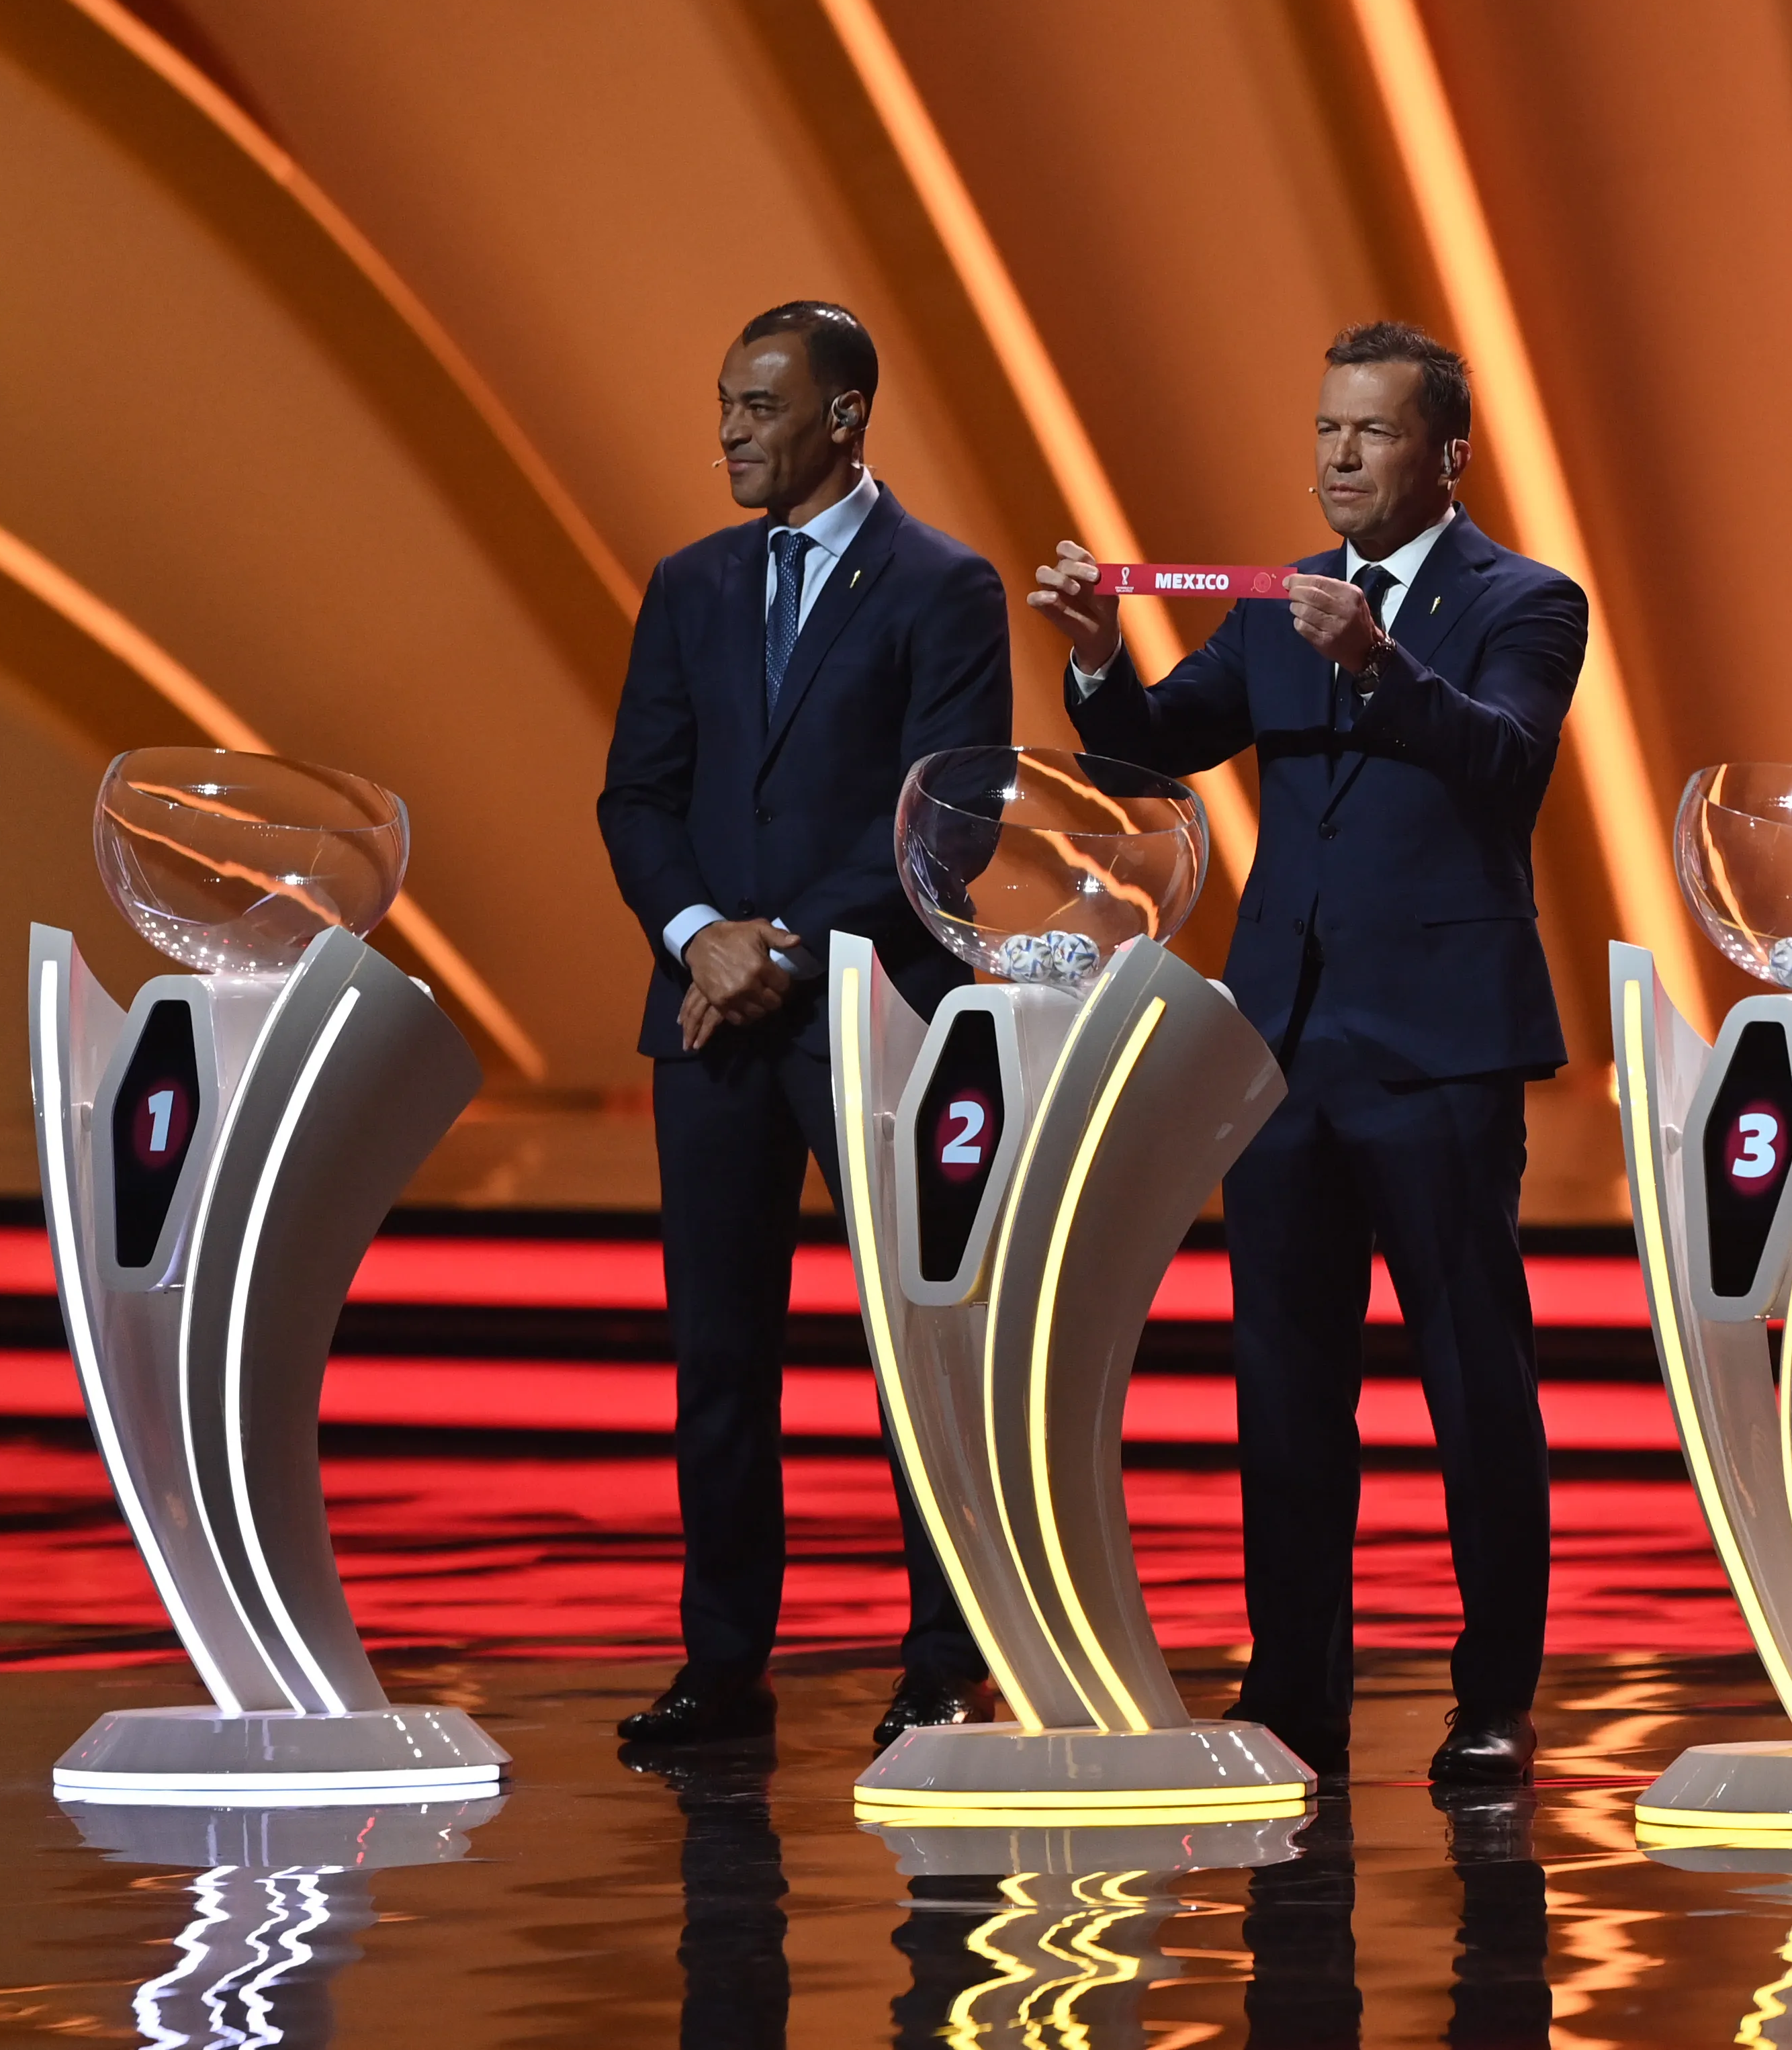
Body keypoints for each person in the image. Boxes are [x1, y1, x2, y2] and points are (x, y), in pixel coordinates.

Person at [1030, 321, 1578, 1786]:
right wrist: (1096, 662)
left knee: (1473, 1380)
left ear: (1444, 453)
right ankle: (1294, 1698)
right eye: (1325, 431)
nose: (1336, 458)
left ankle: (1490, 1698)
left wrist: (1387, 665)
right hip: (1276, 1050)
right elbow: (1156, 746)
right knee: (1281, 1385)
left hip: (1438, 1047)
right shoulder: (1277, 601)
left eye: (1370, 434)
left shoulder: (1525, 599)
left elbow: (1507, 761)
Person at [598, 300, 1011, 1748]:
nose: (728, 430)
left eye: (759, 406)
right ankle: (724, 1664)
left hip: (872, 1014)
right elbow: (636, 797)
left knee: (918, 1350)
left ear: (844, 416)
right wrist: (696, 937)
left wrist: (779, 945)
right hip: (708, 1025)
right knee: (718, 1353)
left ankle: (943, 1658)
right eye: (723, 403)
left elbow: (950, 818)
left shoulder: (942, 586)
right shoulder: (689, 584)